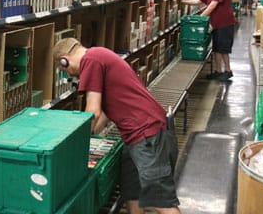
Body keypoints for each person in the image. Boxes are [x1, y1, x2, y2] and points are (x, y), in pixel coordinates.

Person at [53, 37, 181, 214]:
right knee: (132, 193)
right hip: (134, 136)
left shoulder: (90, 60)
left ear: (64, 59)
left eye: (64, 69)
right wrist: (93, 135)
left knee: (160, 201)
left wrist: (75, 145)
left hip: (147, 135)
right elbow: (105, 113)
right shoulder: (98, 58)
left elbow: (93, 111)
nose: (68, 75)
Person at [184, 0, 236, 80]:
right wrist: (183, 1)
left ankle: (228, 71)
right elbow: (198, 1)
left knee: (223, 49)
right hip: (217, 25)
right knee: (216, 48)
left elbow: (212, 6)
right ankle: (218, 71)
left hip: (225, 24)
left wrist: (199, 18)